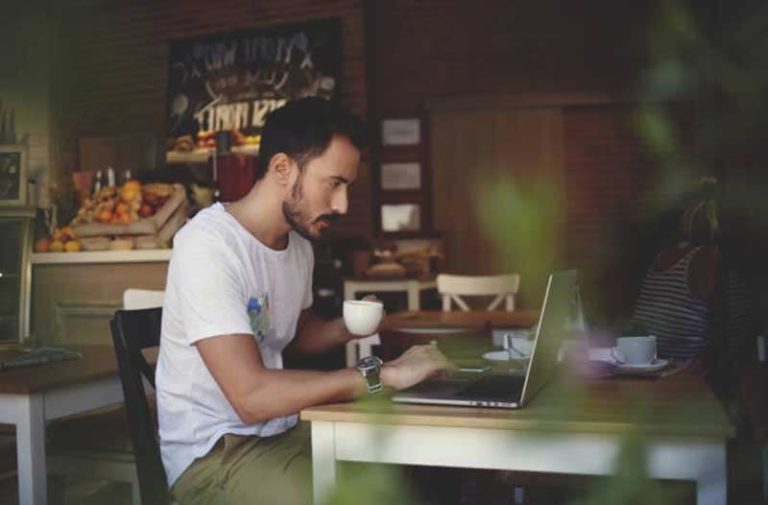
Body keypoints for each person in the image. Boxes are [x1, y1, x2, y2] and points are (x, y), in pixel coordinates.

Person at [156, 97, 451, 505]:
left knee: (411, 460)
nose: (342, 205)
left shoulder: (297, 246)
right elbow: (251, 397)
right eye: (333, 183)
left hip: (285, 428)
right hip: (216, 456)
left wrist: (348, 328)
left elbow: (294, 337)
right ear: (282, 168)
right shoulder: (209, 246)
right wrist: (382, 374)